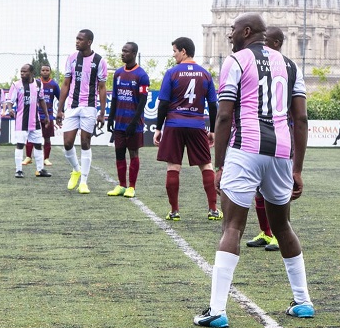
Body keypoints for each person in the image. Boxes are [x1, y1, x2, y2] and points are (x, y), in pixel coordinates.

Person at [193, 13, 313, 328]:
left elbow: (224, 115)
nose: (229, 34)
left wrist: (219, 165)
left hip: (245, 150)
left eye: (232, 30)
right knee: (283, 226)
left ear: (246, 32)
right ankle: (303, 302)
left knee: (232, 227)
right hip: (282, 153)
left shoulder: (236, 60)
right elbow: (300, 119)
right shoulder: (290, 65)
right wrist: (297, 169)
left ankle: (217, 309)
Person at [154, 37, 221, 221]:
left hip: (174, 125)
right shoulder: (205, 74)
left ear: (183, 51)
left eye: (175, 51)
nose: (174, 55)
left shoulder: (172, 73)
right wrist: (213, 130)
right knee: (206, 165)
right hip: (197, 125)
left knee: (173, 166)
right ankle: (213, 210)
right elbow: (214, 105)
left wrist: (158, 128)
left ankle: (174, 211)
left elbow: (163, 103)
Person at [244, 25, 287, 252]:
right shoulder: (256, 66)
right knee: (259, 190)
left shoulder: (286, 67)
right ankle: (267, 232)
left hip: (279, 138)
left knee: (277, 193)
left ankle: (279, 235)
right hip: (257, 137)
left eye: (266, 42)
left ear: (276, 43)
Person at [56, 29, 108, 195]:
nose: (77, 41)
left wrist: (101, 112)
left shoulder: (99, 61)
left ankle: (84, 182)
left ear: (89, 42)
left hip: (89, 107)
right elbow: (65, 84)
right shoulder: (71, 59)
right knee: (67, 143)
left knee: (85, 142)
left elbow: (102, 87)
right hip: (72, 106)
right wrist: (60, 108)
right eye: (76, 39)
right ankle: (76, 170)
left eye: (80, 39)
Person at [107, 42, 150, 198]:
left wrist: (134, 123)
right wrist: (110, 118)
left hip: (134, 125)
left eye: (126, 51)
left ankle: (131, 187)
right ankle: (121, 185)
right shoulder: (118, 73)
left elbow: (142, 101)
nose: (123, 53)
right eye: (122, 50)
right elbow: (115, 98)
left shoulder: (142, 75)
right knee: (119, 153)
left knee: (133, 153)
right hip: (119, 122)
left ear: (134, 54)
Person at [5, 64, 51, 179]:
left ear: (31, 73)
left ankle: (40, 170)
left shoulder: (38, 84)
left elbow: (41, 100)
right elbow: (10, 101)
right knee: (20, 145)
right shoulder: (16, 85)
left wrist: (46, 116)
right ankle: (19, 170)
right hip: (21, 121)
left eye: (25, 72)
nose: (22, 74)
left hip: (35, 121)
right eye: (21, 72)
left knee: (38, 145)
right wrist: (10, 110)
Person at [23, 64, 60, 168]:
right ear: (40, 72)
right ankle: (28, 157)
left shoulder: (54, 84)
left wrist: (59, 112)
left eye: (47, 70)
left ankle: (46, 159)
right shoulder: (35, 83)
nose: (45, 72)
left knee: (47, 138)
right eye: (43, 70)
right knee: (30, 136)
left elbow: (60, 98)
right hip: (34, 115)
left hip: (48, 115)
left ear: (50, 71)